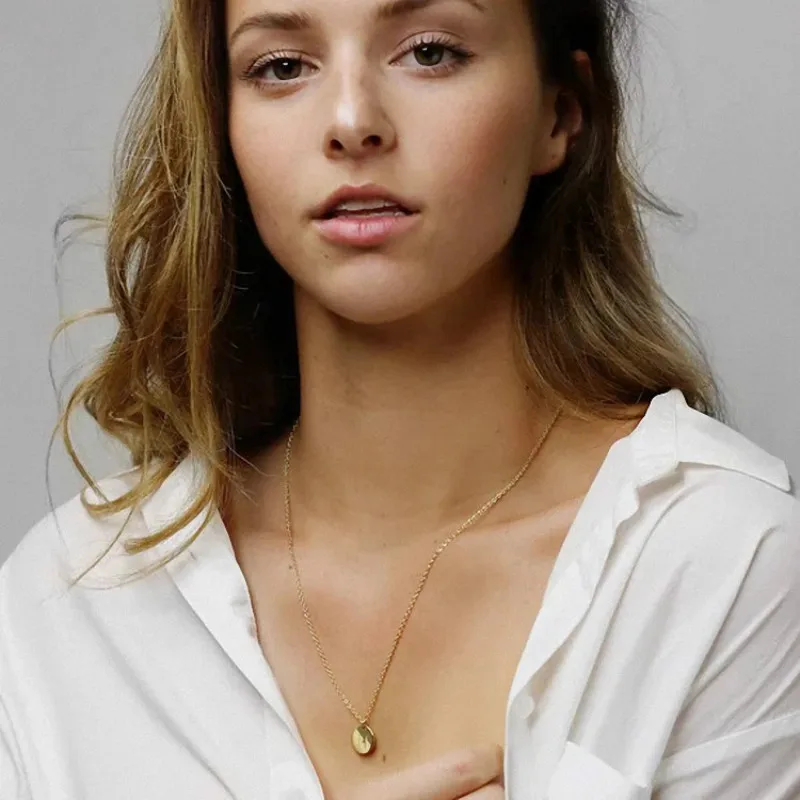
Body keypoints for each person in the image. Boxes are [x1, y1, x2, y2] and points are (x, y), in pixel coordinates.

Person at [1, 0, 798, 797]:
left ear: (560, 113)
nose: (353, 123)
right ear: (223, 123)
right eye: (283, 66)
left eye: (430, 52)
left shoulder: (719, 563)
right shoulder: (70, 599)